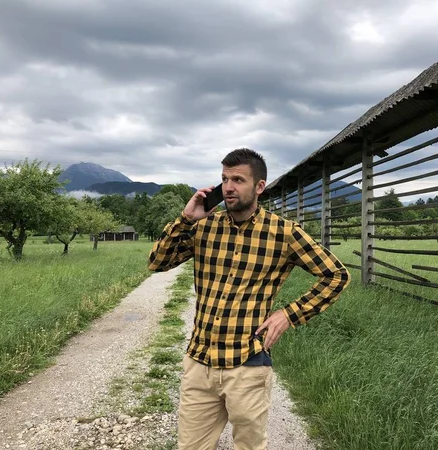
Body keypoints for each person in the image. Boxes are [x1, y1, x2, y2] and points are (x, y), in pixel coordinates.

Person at [148, 148, 351, 450]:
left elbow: (336, 275)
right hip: (199, 362)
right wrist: (185, 219)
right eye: (224, 179)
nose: (228, 187)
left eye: (238, 180)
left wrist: (289, 315)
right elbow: (158, 262)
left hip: (247, 363)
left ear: (259, 186)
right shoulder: (203, 227)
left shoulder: (283, 233)